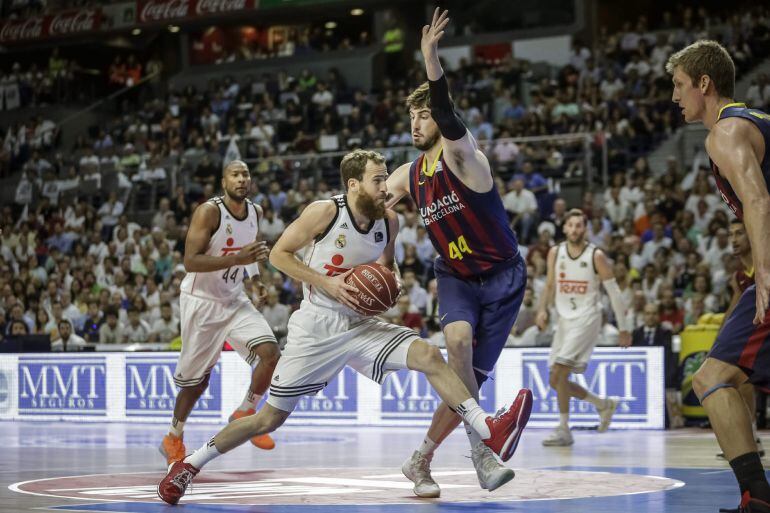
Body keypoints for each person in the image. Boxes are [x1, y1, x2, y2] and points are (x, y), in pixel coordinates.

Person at [158, 149, 531, 505]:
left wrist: (391, 283)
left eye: (386, 179)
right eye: (377, 180)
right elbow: (279, 255)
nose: (386, 188)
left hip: (361, 324)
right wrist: (328, 283)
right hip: (317, 326)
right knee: (268, 419)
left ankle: (488, 428)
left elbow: (386, 266)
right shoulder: (324, 211)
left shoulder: (390, 221)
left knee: (430, 355)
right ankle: (189, 465)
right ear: (353, 184)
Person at [384, 8, 530, 497]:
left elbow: (448, 115)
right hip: (456, 276)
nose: (416, 122)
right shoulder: (408, 175)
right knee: (458, 342)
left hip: (504, 277)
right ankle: (482, 452)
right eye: (411, 115)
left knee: (466, 384)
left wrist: (431, 59)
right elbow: (368, 203)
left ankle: (420, 459)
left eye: (423, 114)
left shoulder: (466, 157)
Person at [668, 40, 770, 513]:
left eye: (679, 85)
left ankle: (757, 497)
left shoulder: (725, 131)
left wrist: (762, 275)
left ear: (704, 83)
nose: (675, 96)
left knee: (710, 378)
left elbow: (758, 200)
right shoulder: (756, 121)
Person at [159, 160, 280, 466]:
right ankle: (173, 436)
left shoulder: (255, 212)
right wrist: (235, 259)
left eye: (245, 174)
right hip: (201, 301)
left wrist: (255, 281)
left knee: (271, 353)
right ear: (223, 181)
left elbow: (250, 252)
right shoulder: (208, 212)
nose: (241, 179)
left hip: (234, 298)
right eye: (234, 175)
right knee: (197, 383)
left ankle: (245, 412)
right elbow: (190, 261)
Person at [535, 209, 631, 446]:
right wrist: (542, 309)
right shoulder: (555, 252)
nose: (574, 229)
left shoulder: (596, 255)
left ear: (585, 229)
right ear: (564, 228)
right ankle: (603, 405)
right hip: (564, 319)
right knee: (555, 381)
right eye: (571, 225)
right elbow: (549, 285)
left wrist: (624, 327)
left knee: (560, 371)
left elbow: (614, 292)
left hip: (588, 317)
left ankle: (564, 429)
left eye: (579, 225)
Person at [714, 219, 765, 460]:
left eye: (739, 233)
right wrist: (719, 339)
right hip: (756, 336)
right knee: (740, 380)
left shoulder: (764, 264)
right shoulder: (738, 277)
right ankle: (749, 437)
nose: (734, 239)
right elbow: (733, 311)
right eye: (731, 234)